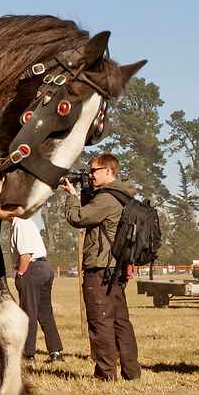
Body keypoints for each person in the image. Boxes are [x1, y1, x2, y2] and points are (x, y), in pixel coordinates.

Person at [61, 153, 141, 381]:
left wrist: (72, 197)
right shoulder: (123, 195)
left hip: (100, 267)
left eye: (93, 170)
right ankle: (131, 372)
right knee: (120, 320)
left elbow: (78, 218)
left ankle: (105, 373)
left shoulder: (106, 199)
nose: (90, 175)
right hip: (116, 266)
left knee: (100, 320)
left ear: (108, 170)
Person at [9, 216, 63, 363]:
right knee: (45, 312)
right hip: (44, 267)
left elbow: (26, 253)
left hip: (32, 269)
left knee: (28, 312)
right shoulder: (23, 221)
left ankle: (28, 354)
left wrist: (20, 274)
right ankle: (55, 351)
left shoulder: (20, 222)